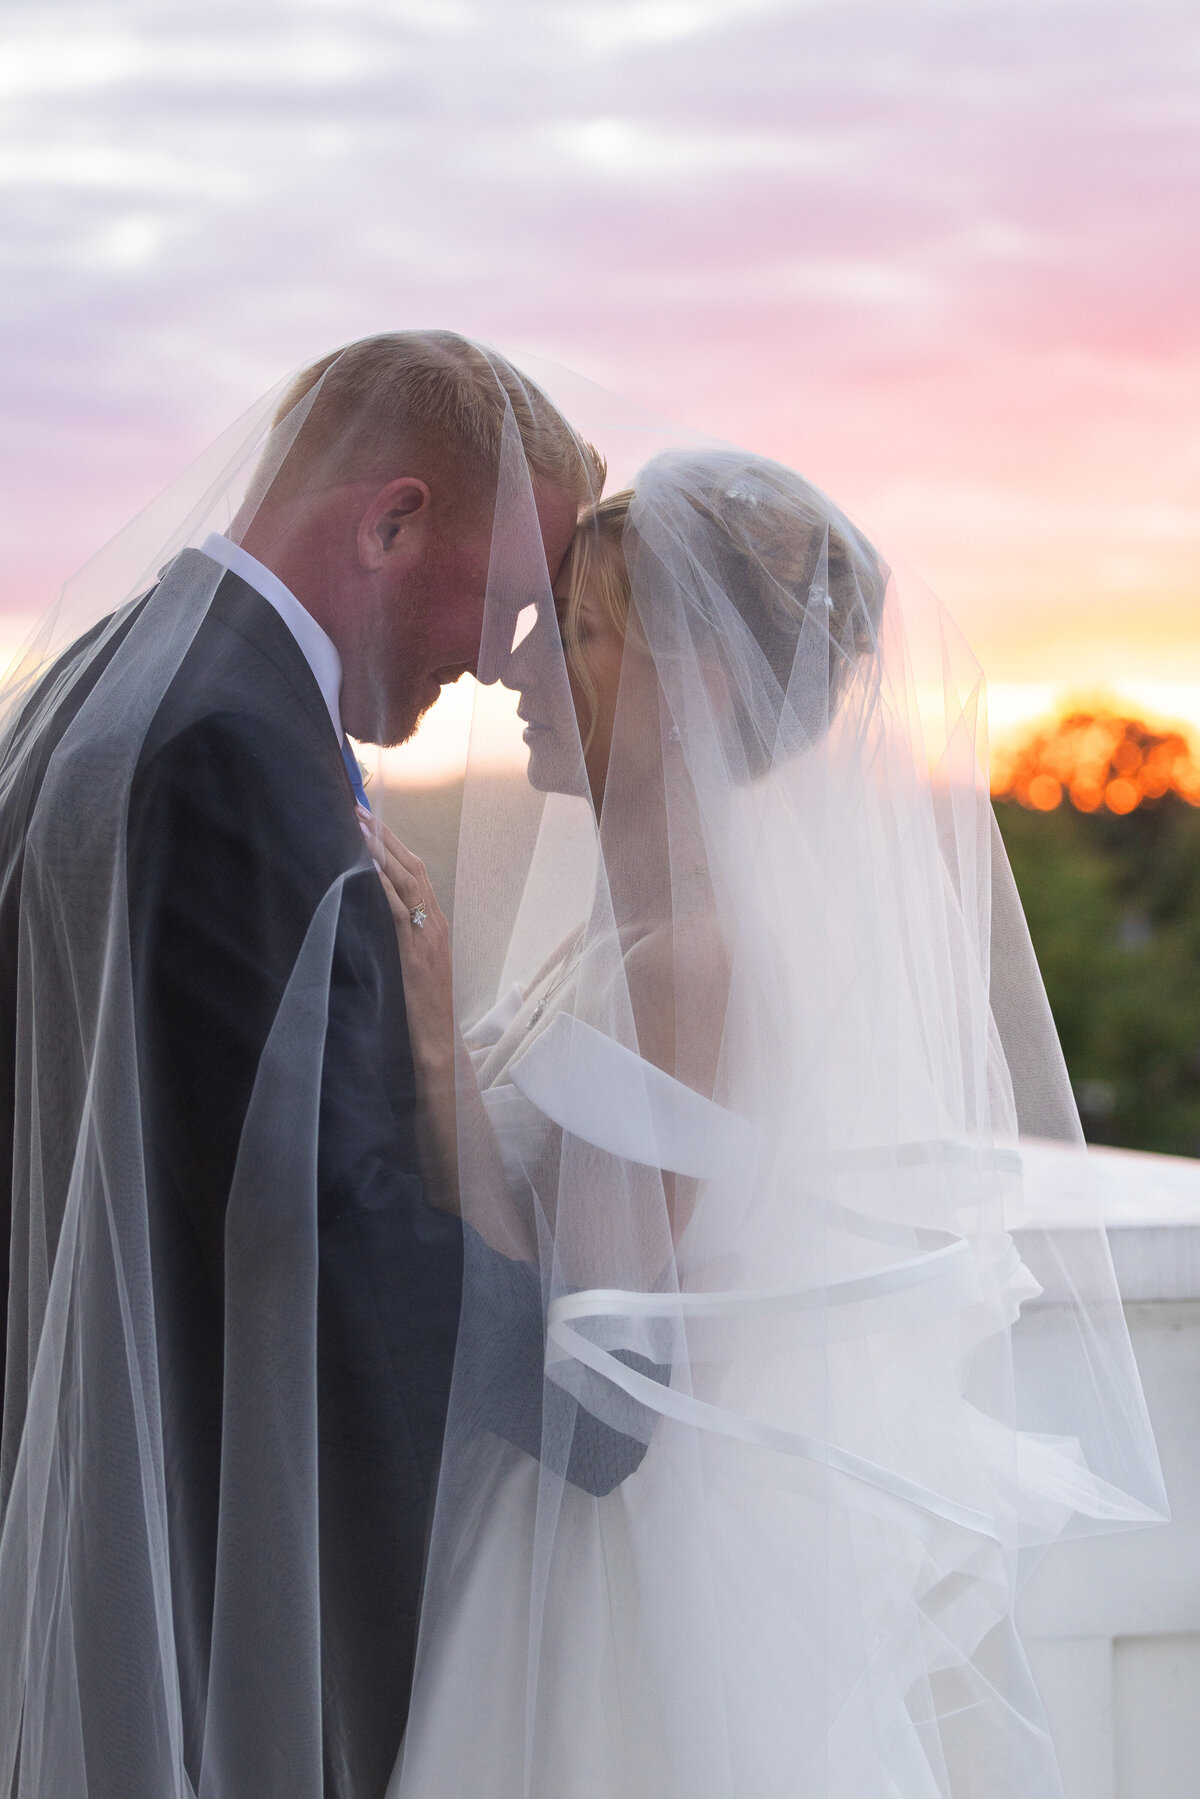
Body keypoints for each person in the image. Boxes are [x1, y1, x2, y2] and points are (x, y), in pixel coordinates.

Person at [372, 451, 1167, 1797]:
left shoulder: (691, 960)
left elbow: (589, 1359)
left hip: (604, 1593)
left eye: (577, 636)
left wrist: (438, 1051)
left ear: (699, 685)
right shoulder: (628, 935)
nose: (518, 672)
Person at [0, 332, 627, 1799]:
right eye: (511, 601)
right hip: (204, 1542)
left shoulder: (107, 675)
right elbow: (314, 1209)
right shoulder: (231, 745)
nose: (508, 660)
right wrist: (582, 1390)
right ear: (391, 522)